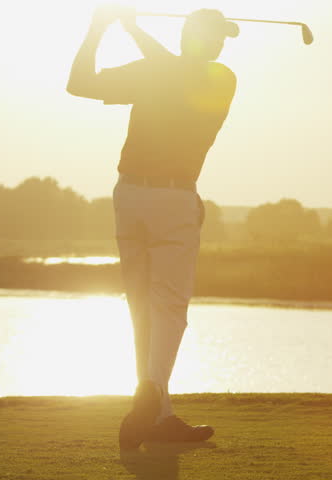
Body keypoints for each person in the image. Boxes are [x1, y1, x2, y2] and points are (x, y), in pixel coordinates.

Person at [67, 6, 238, 449]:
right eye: (216, 37)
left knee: (142, 307)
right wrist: (100, 29)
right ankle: (153, 394)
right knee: (167, 306)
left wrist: (118, 27)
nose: (220, 46)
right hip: (172, 199)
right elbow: (80, 85)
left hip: (130, 196)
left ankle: (158, 414)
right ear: (202, 40)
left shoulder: (216, 78)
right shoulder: (192, 74)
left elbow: (86, 80)